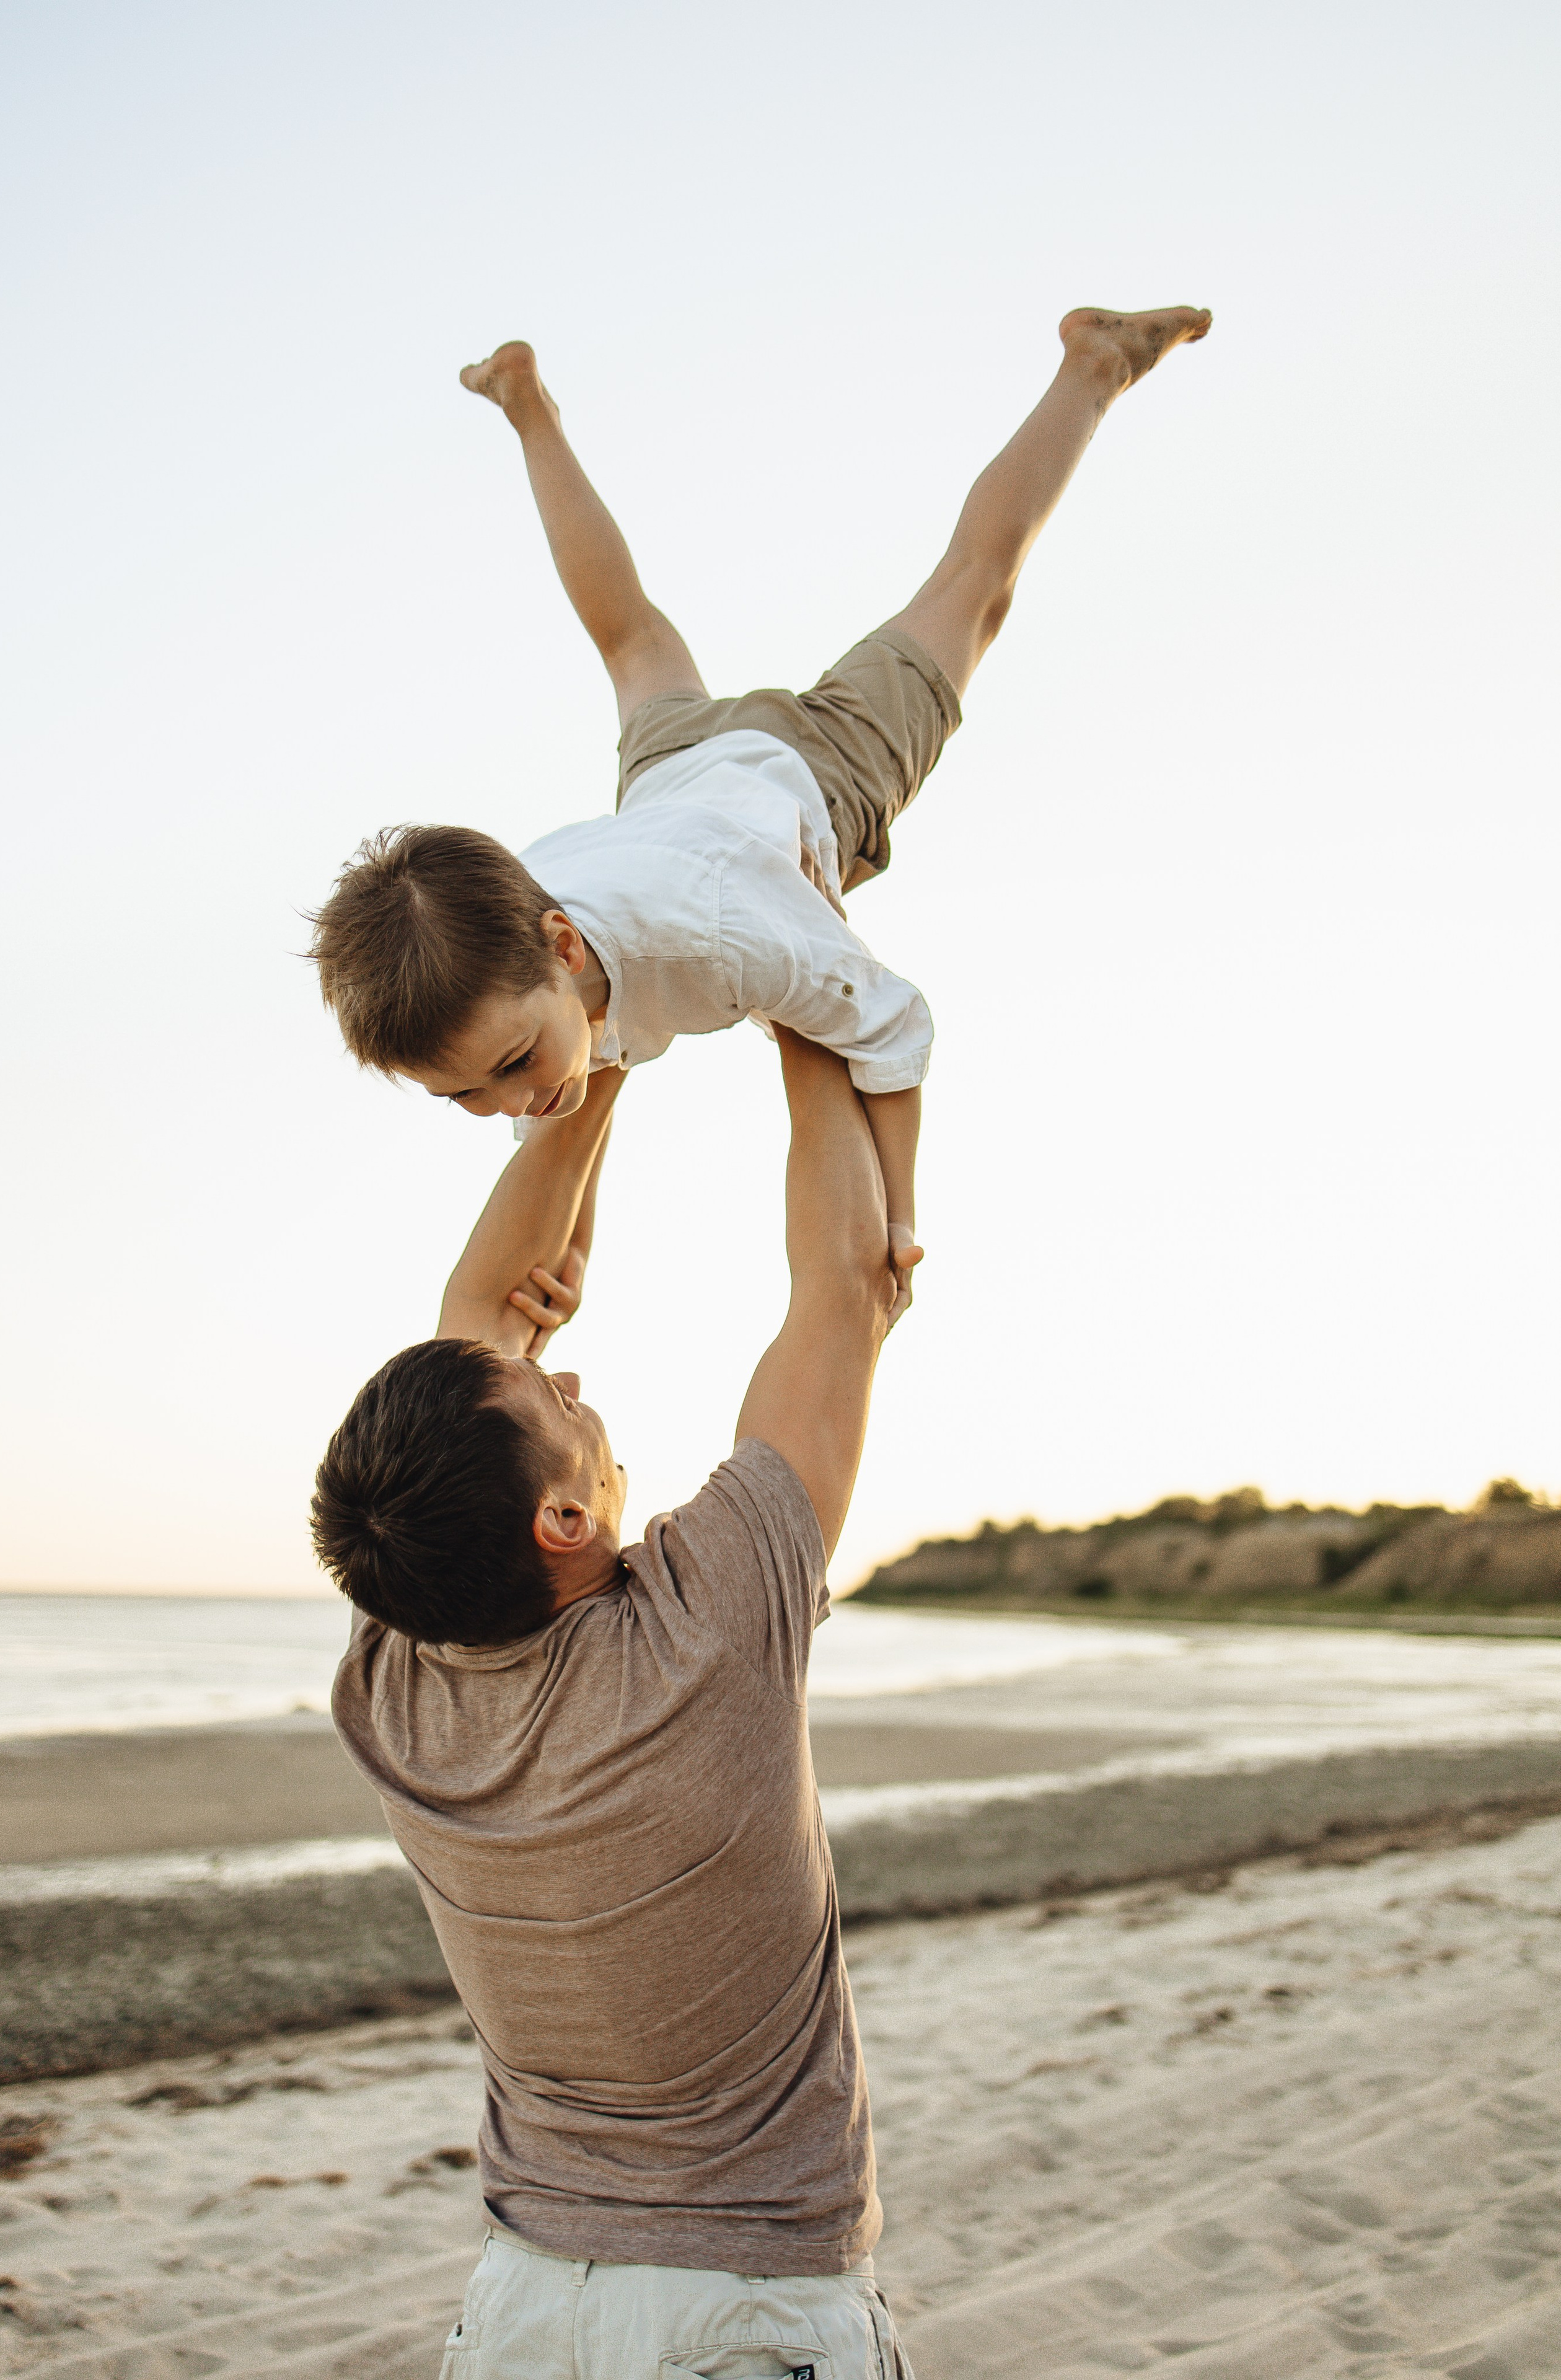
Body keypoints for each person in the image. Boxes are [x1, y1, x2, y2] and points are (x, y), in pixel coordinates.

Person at [309, 305, 1211, 1342]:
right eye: (462, 1096)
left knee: (973, 592)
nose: (508, 1104)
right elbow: (586, 1068)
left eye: (510, 1067)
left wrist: (903, 1216)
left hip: (812, 779)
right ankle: (526, 403)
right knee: (628, 631)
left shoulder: (731, 938)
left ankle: (1093, 366)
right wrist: (577, 1247)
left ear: (560, 941)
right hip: (669, 780)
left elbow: (894, 1028)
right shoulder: (524, 957)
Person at [313, 1028, 912, 2376]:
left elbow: (486, 1305)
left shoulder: (394, 1672)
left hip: (525, 2307)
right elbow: (847, 1288)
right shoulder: (709, 1632)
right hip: (748, 2310)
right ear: (564, 1517)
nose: (565, 1369)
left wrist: (606, 1042)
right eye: (547, 1394)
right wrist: (800, 997)